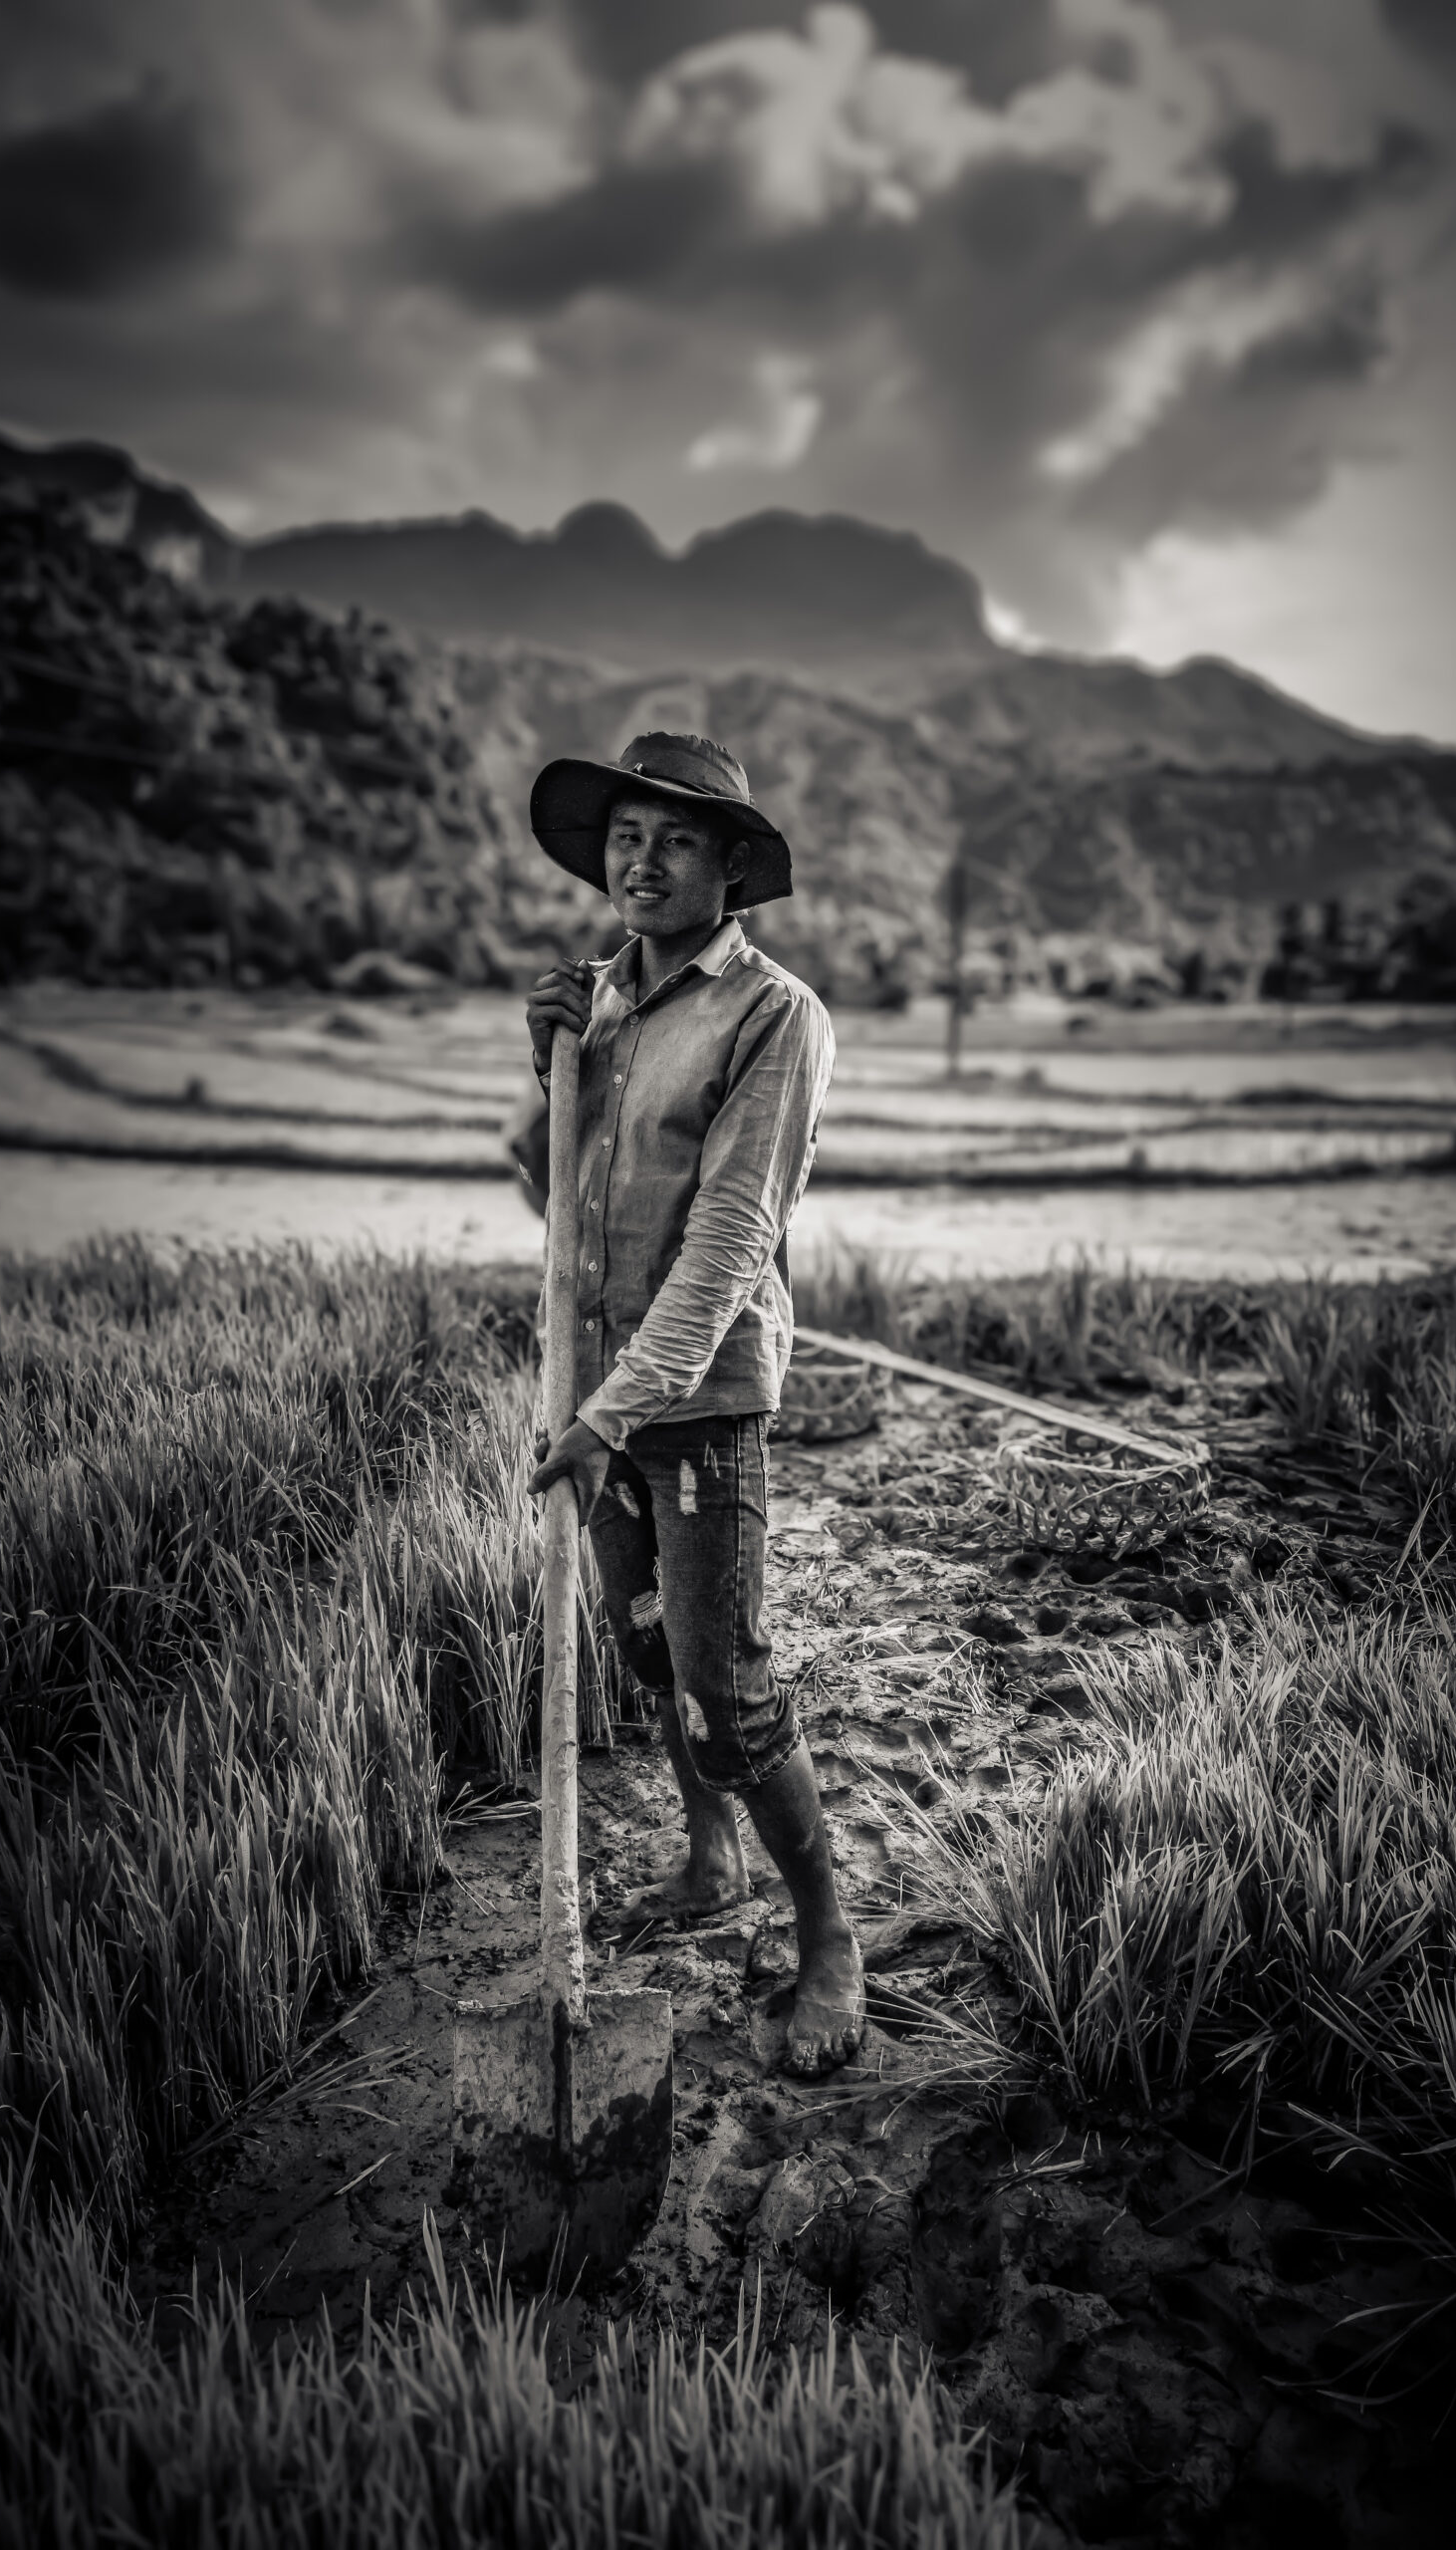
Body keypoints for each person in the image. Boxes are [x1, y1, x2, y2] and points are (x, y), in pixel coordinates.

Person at [523, 730, 866, 2078]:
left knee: (725, 1684)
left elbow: (730, 1242)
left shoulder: (774, 1016)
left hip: (695, 1404)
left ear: (732, 864)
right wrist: (545, 1062)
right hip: (599, 1392)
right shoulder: (598, 1004)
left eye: (675, 838)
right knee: (652, 1648)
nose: (641, 860)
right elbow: (548, 1197)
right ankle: (710, 1857)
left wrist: (617, 1414)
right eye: (623, 835)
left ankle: (830, 1938)